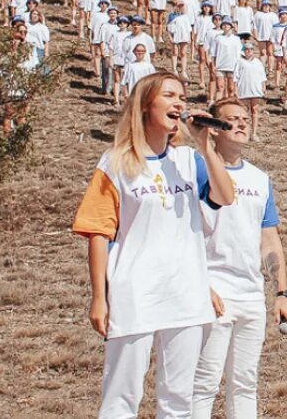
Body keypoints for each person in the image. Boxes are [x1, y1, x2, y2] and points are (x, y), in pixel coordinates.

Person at [72, 72, 236, 419]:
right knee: (121, 397)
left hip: (186, 294)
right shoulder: (116, 162)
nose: (179, 103)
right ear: (146, 105)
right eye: (170, 95)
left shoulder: (189, 162)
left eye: (183, 97)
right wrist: (99, 297)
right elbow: (98, 232)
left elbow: (225, 196)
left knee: (178, 399)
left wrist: (205, 147)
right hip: (135, 292)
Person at [191, 99, 287, 419]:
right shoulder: (194, 168)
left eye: (244, 119)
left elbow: (269, 237)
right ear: (215, 128)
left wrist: (281, 292)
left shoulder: (260, 179)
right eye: (231, 120)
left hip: (250, 293)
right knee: (204, 383)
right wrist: (200, 285)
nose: (241, 124)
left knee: (245, 383)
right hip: (212, 290)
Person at [233, 44, 268, 141]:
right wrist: (235, 89)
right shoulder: (240, 62)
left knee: (254, 110)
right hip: (243, 89)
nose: (248, 51)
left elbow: (262, 76)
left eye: (250, 49)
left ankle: (254, 133)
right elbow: (235, 76)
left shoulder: (258, 62)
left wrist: (263, 86)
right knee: (244, 113)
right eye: (246, 49)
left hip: (255, 89)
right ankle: (243, 132)